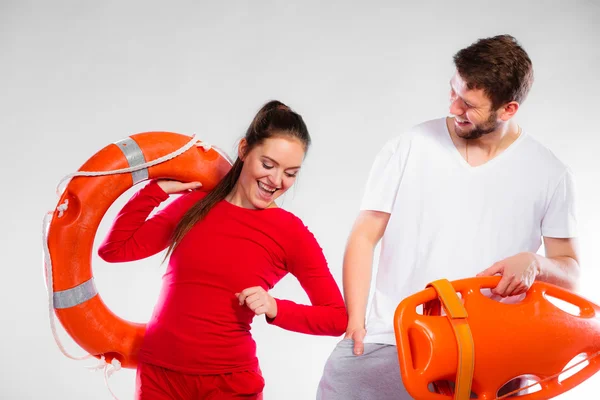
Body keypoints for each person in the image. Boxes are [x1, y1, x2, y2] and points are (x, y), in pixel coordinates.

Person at [317, 34, 580, 399]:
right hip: (392, 343)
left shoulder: (550, 173)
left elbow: (570, 271)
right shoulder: (408, 146)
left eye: (469, 104)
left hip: (486, 361)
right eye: (452, 92)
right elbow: (364, 235)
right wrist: (356, 322)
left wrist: (535, 263)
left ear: (508, 110)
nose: (454, 107)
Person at [98, 100, 347, 400]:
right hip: (159, 375)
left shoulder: (290, 232)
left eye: (290, 173)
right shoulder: (196, 204)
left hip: (229, 384)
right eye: (268, 165)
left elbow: (336, 318)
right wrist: (155, 191)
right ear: (244, 150)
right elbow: (114, 249)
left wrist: (275, 307)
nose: (277, 181)